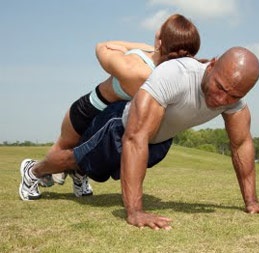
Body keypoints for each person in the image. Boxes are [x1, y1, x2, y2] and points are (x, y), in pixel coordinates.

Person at [19, 46, 259, 230]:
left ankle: (80, 173)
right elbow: (134, 138)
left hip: (157, 142)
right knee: (74, 157)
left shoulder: (233, 99)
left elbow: (241, 144)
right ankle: (34, 170)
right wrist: (134, 211)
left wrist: (251, 202)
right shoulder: (176, 75)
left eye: (232, 95)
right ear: (213, 64)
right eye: (219, 87)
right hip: (120, 127)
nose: (221, 99)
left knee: (91, 166)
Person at [30, 13, 201, 197]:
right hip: (89, 109)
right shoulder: (174, 75)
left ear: (160, 42)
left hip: (110, 115)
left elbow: (101, 47)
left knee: (82, 154)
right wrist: (147, 49)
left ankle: (73, 175)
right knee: (62, 150)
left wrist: (127, 47)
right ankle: (35, 172)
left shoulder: (135, 70)